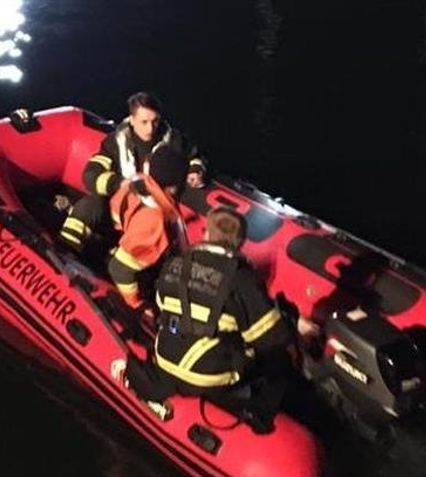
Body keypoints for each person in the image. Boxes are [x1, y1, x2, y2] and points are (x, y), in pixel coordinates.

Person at [112, 207, 300, 433]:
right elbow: (271, 339)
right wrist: (294, 327)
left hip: (165, 360)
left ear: (207, 234)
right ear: (240, 243)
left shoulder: (175, 264)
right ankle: (258, 412)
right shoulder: (241, 280)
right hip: (208, 377)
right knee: (281, 358)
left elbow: (162, 306)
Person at [59, 91, 206, 253]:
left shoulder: (174, 140)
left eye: (155, 121)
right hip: (120, 207)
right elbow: (91, 175)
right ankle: (65, 252)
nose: (150, 128)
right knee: (89, 206)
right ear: (133, 120)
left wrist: (195, 170)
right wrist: (122, 184)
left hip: (154, 215)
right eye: (144, 122)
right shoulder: (115, 142)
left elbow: (195, 156)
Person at [106, 144, 190, 313]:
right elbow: (119, 269)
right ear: (173, 187)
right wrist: (138, 305)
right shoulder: (154, 221)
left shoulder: (139, 181)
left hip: (118, 233)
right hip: (130, 256)